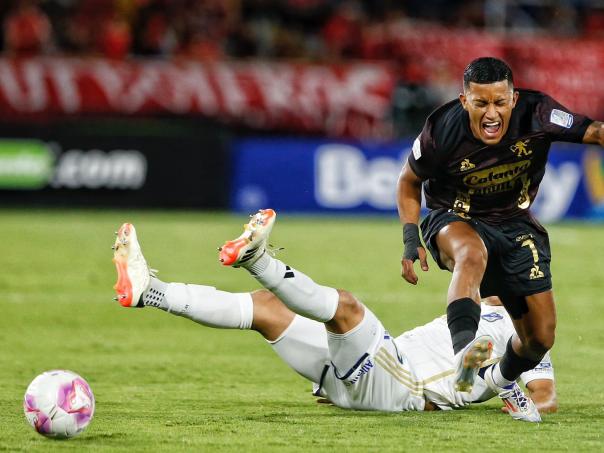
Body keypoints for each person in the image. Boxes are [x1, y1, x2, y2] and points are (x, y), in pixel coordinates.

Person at [112, 209, 554, 420]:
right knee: (266, 309)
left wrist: (502, 386)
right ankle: (151, 292)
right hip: (376, 371)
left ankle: (257, 259)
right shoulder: (469, 307)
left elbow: (545, 397)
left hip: (405, 389)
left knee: (345, 308)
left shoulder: (526, 329)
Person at [396, 57, 602, 415]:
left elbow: (595, 132)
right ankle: (465, 354)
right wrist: (411, 239)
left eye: (499, 102)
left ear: (514, 99)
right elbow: (408, 181)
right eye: (481, 103)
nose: (491, 114)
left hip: (515, 224)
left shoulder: (538, 114)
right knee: (470, 254)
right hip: (455, 216)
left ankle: (500, 377)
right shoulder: (441, 130)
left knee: (539, 339)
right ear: (465, 101)